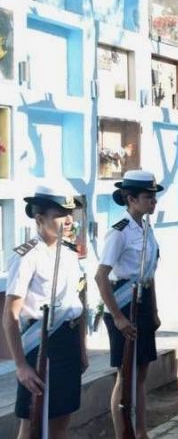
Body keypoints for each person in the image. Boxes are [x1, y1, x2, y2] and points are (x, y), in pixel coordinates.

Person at [4, 186, 86, 439]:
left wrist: (82, 350)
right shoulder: (27, 255)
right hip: (39, 344)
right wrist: (20, 365)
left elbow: (77, 303)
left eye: (70, 213)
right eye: (60, 214)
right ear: (40, 219)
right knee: (32, 421)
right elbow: (10, 315)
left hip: (67, 342)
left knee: (62, 417)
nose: (69, 220)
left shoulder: (69, 252)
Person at [95, 170, 163, 439]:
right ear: (131, 199)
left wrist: (154, 311)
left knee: (141, 373)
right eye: (148, 197)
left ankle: (141, 432)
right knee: (126, 376)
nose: (153, 202)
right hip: (123, 305)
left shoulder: (146, 228)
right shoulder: (119, 232)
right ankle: (123, 433)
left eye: (154, 197)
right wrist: (118, 317)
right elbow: (101, 276)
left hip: (142, 303)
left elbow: (149, 274)